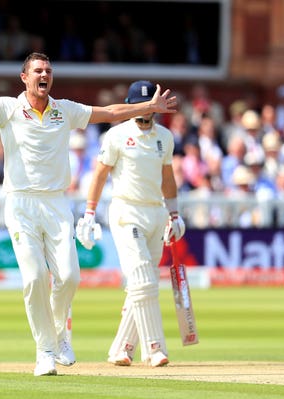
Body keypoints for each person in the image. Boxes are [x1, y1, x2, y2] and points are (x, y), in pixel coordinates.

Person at [0, 51, 177, 376]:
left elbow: (110, 111)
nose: (44, 75)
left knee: (69, 277)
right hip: (20, 203)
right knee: (36, 277)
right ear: (24, 77)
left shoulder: (64, 110)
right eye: (38, 70)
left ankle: (59, 334)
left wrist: (149, 107)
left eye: (48, 70)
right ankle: (45, 350)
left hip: (55, 203)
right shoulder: (8, 109)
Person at [75, 80, 185, 367]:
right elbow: (100, 174)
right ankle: (154, 348)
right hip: (126, 211)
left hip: (155, 214)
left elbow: (168, 177)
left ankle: (121, 348)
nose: (145, 111)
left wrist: (174, 213)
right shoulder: (116, 135)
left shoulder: (165, 137)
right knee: (144, 280)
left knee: (141, 286)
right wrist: (89, 212)